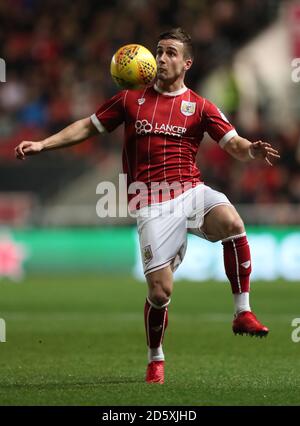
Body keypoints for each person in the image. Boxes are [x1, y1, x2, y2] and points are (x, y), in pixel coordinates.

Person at [15, 28, 280, 385]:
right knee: (160, 292)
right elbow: (86, 127)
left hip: (190, 191)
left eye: (171, 53)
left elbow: (234, 144)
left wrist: (252, 149)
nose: (161, 58)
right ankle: (156, 358)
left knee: (233, 221)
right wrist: (43, 144)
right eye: (158, 51)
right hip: (151, 203)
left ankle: (242, 312)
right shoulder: (129, 99)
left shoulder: (201, 107)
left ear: (186, 63)